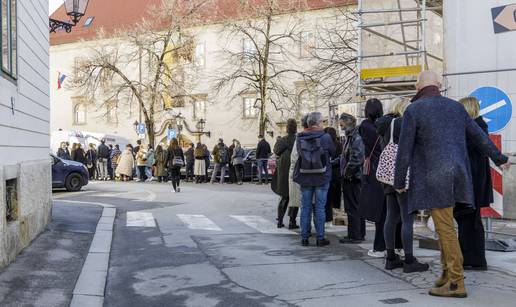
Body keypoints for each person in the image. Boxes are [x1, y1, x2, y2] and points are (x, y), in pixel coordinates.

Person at [394, 71, 510, 298]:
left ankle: (456, 282)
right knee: (443, 225)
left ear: (420, 87)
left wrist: (399, 180)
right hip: (458, 174)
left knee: (445, 227)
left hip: (434, 177)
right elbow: (479, 137)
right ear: (437, 85)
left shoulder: (414, 110)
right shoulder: (456, 107)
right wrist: (500, 158)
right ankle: (446, 274)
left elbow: (404, 149)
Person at [376, 99, 428, 273]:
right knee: (407, 219)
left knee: (391, 216)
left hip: (388, 177)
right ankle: (409, 260)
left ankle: (390, 257)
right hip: (404, 176)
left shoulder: (385, 124)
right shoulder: (402, 123)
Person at [456, 97, 493, 271]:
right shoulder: (477, 127)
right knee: (468, 221)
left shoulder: (475, 128)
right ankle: (471, 258)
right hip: (472, 184)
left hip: (472, 185)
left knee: (470, 222)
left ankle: (475, 260)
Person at [294, 112, 336, 247]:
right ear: (318, 123)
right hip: (322, 176)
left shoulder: (299, 138)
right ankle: (320, 238)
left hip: (305, 176)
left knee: (305, 207)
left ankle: (304, 238)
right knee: (320, 208)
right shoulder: (326, 137)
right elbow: (333, 152)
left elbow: (300, 154)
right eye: (322, 121)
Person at [358, 98, 388, 258]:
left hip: (373, 170)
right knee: (388, 211)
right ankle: (392, 246)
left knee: (378, 212)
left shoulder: (364, 126)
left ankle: (379, 247)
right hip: (387, 168)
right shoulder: (387, 124)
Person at [338, 113, 366, 244]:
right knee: (355, 206)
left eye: (341, 122)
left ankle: (355, 235)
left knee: (352, 207)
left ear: (347, 122)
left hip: (353, 178)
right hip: (353, 176)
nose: (340, 124)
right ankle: (358, 234)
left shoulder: (355, 136)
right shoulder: (351, 136)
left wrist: (347, 173)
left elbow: (357, 158)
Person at [274, 119, 299, 229]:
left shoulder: (282, 140)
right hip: (294, 170)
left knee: (284, 196)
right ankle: (292, 222)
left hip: (284, 171)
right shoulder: (298, 140)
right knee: (294, 197)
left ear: (287, 128)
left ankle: (279, 220)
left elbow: (276, 151)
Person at [323, 127, 342, 223]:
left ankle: (328, 217)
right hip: (337, 174)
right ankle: (336, 217)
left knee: (327, 198)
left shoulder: (325, 145)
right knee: (335, 198)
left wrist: (329, 163)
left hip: (328, 173)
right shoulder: (339, 145)